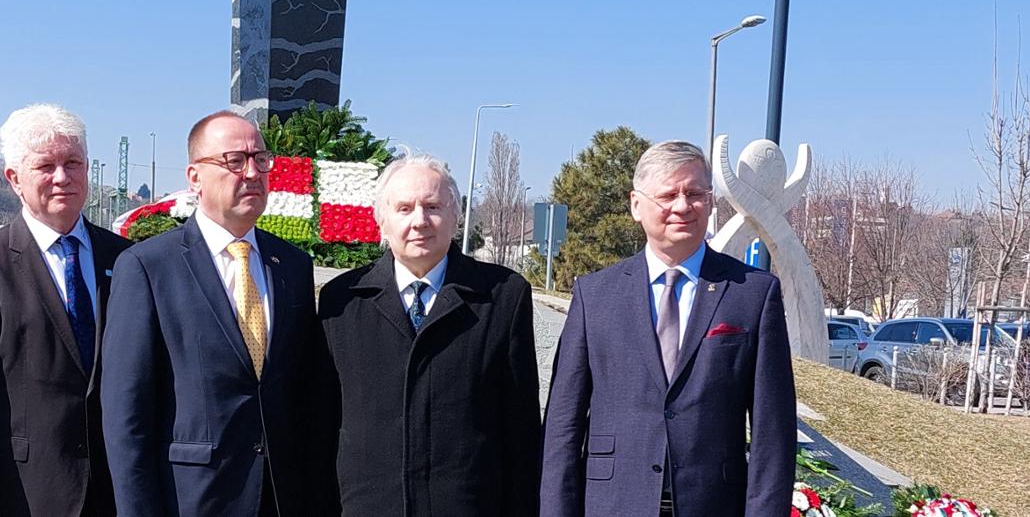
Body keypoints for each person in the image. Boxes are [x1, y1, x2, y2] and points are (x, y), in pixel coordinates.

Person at [541, 140, 795, 517]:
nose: (682, 206)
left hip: (713, 504)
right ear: (635, 205)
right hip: (612, 505)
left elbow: (773, 434)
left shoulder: (753, 294)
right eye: (668, 195)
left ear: (709, 202)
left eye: (694, 193)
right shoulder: (594, 296)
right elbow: (562, 427)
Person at [102, 111, 329, 517]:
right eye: (234, 161)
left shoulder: (292, 265)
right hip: (191, 498)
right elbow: (126, 414)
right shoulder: (148, 266)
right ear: (194, 177)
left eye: (261, 159)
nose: (253, 172)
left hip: (281, 497)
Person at [0, 104, 130, 517]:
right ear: (15, 179)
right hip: (25, 494)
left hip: (119, 493)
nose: (62, 177)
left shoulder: (126, 260)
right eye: (46, 166)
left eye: (73, 163)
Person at [316, 155, 542, 517]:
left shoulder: (503, 296)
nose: (419, 221)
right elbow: (321, 426)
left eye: (433, 206)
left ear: (456, 216)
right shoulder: (341, 301)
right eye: (404, 208)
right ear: (382, 221)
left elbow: (521, 429)